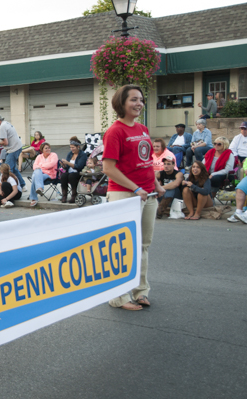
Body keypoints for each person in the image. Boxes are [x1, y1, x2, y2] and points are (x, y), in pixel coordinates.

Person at [102, 84, 165, 311]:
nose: (139, 103)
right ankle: (118, 297)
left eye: (140, 99)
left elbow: (146, 162)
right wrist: (136, 188)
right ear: (122, 103)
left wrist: (156, 185)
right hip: (125, 194)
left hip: (147, 194)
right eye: (133, 100)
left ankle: (141, 291)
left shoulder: (142, 129)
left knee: (143, 246)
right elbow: (108, 168)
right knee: (121, 248)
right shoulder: (115, 131)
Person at [0, 113, 26, 191]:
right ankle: (23, 185)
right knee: (13, 169)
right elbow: (7, 139)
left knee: (7, 170)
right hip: (17, 147)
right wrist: (0, 141)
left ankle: (10, 188)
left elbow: (5, 143)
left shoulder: (2, 127)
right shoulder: (6, 123)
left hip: (13, 149)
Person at [28, 142, 58, 207]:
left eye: (49, 148)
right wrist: (41, 168)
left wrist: (40, 166)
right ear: (42, 150)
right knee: (36, 172)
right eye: (46, 148)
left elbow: (51, 164)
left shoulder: (54, 155)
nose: (48, 149)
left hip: (49, 174)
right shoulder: (39, 156)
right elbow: (34, 166)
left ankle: (34, 198)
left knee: (35, 175)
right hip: (40, 174)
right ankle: (40, 188)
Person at [59, 136, 88, 203]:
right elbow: (67, 167)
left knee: (71, 176)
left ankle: (74, 195)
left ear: (78, 147)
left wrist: (68, 163)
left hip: (78, 173)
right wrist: (64, 165)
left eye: (73, 147)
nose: (71, 149)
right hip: (69, 172)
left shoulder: (83, 155)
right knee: (63, 176)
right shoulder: (70, 154)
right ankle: (64, 195)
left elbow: (79, 166)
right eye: (70, 147)